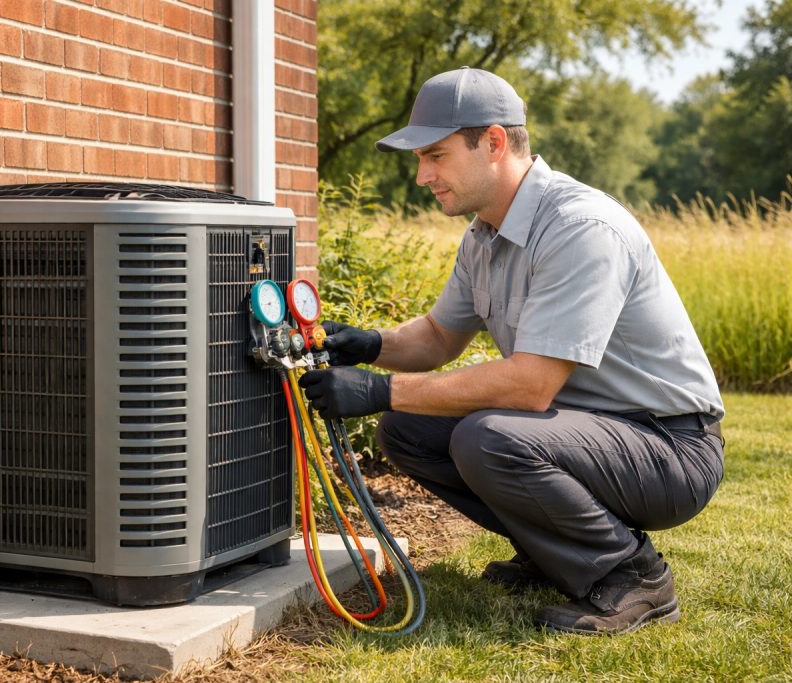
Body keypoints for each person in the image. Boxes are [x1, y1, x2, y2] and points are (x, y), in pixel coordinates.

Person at [299, 67, 725, 635]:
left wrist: (380, 390)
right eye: (420, 159)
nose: (423, 176)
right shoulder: (484, 233)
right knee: (406, 430)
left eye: (436, 155)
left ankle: (632, 576)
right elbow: (439, 336)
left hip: (669, 447)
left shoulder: (580, 227)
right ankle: (552, 552)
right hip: (583, 431)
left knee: (489, 437)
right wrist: (370, 345)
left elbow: (530, 385)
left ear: (494, 142)